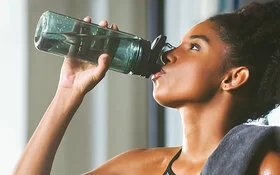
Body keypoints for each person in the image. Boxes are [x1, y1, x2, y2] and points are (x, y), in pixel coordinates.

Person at [14, 1, 280, 174]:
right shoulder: (141, 167)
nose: (168, 55)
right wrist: (68, 91)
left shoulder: (265, 167)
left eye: (194, 47)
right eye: (177, 44)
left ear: (233, 78)